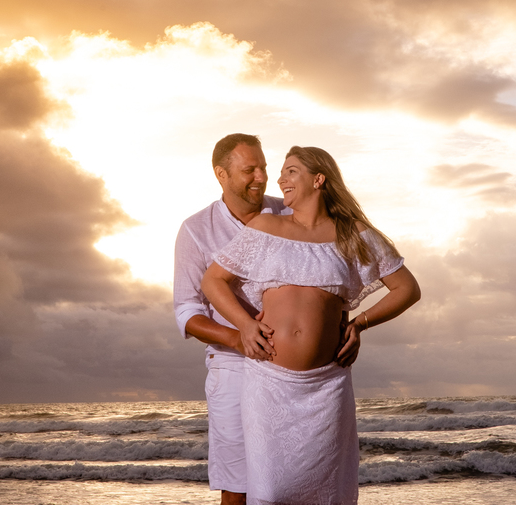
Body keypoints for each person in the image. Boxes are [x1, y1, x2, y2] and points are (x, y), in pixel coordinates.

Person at [202, 146, 421, 505]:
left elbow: (407, 289)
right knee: (270, 493)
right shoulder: (266, 228)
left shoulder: (353, 234)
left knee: (326, 493)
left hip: (327, 386)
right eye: (282, 173)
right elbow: (213, 280)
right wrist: (244, 325)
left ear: (318, 179)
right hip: (268, 384)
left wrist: (360, 324)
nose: (279, 180)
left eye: (291, 171)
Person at [174, 135, 362, 504]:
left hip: (303, 380)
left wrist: (347, 325)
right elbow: (186, 310)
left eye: (263, 167)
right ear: (221, 174)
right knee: (240, 484)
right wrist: (239, 336)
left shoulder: (290, 211)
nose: (261, 177)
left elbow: (326, 277)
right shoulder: (197, 229)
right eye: (250, 170)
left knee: (311, 481)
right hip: (233, 368)